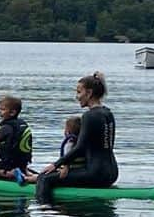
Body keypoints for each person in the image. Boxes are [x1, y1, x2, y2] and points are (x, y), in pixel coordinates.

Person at [35, 72, 117, 202]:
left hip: (96, 174)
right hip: (112, 173)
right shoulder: (108, 113)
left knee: (44, 178)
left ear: (89, 93)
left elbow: (80, 148)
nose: (77, 97)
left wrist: (56, 165)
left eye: (79, 92)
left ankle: (45, 209)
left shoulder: (89, 116)